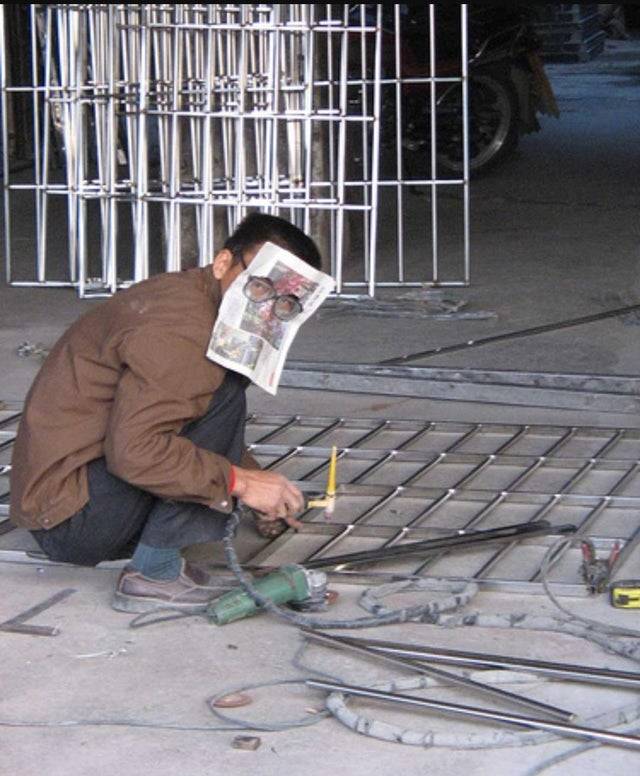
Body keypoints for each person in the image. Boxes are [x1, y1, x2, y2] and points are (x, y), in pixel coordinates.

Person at [9, 213, 326, 613]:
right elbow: (136, 451)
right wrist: (240, 482)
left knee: (222, 391)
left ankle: (161, 549)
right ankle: (153, 573)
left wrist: (259, 488)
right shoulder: (182, 331)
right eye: (260, 286)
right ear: (223, 262)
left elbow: (193, 413)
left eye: (285, 302)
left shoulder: (196, 296)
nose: (266, 308)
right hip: (69, 520)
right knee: (222, 395)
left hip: (67, 498)